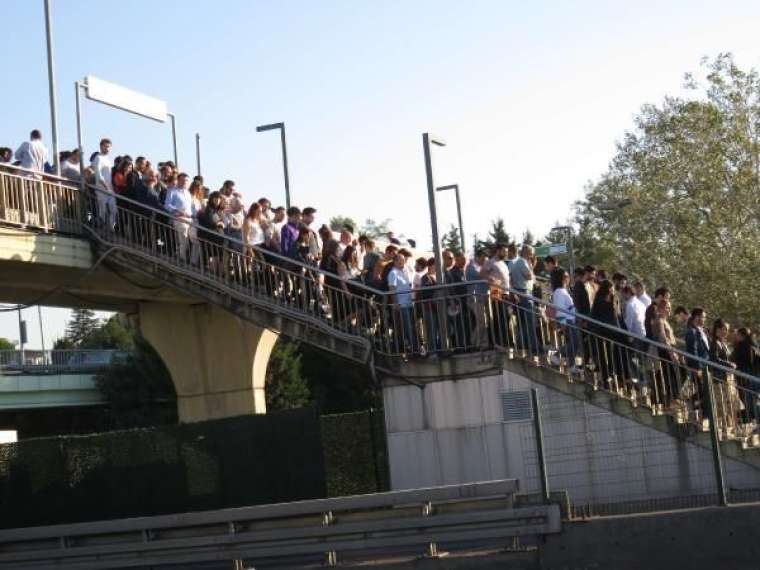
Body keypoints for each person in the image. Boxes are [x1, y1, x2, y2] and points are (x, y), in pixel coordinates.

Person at [549, 268, 580, 372]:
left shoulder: (563, 291)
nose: (568, 279)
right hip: (568, 321)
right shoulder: (559, 292)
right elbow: (560, 309)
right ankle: (556, 355)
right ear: (561, 279)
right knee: (574, 343)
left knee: (573, 343)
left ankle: (572, 365)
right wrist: (563, 323)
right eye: (566, 277)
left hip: (571, 320)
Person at [510, 244, 538, 354]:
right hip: (524, 292)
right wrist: (532, 266)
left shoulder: (517, 262)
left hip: (520, 292)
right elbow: (529, 276)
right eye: (531, 253)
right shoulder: (522, 262)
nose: (532, 255)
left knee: (523, 322)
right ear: (527, 253)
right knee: (529, 320)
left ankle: (522, 344)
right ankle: (534, 346)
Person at [388, 252, 416, 354]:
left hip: (409, 303)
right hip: (401, 304)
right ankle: (414, 349)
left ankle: (408, 348)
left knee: (410, 327)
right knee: (407, 328)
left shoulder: (405, 271)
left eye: (403, 259)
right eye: (400, 259)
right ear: (395, 261)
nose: (402, 261)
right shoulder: (393, 273)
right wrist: (395, 304)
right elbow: (392, 289)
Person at [164, 171, 193, 262]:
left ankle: (192, 260)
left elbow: (191, 208)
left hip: (190, 219)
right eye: (183, 180)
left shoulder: (188, 193)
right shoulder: (172, 191)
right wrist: (178, 211)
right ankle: (182, 259)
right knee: (183, 238)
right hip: (178, 218)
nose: (185, 182)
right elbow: (167, 205)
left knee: (193, 239)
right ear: (178, 180)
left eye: (187, 181)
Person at [92, 138, 115, 229]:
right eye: (105, 146)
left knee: (113, 210)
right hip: (101, 189)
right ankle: (103, 227)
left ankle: (111, 228)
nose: (107, 149)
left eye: (109, 147)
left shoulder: (108, 159)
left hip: (110, 189)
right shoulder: (98, 158)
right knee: (103, 210)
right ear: (101, 146)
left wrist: (110, 188)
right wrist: (106, 187)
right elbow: (98, 175)